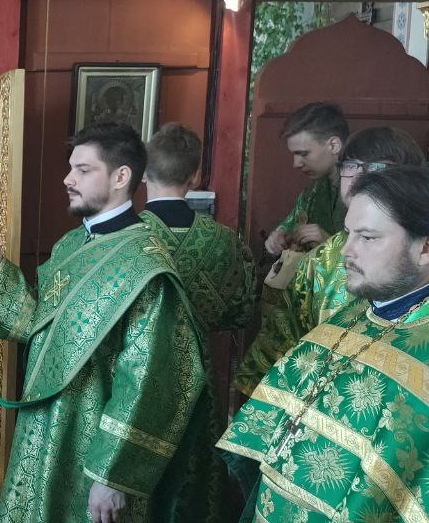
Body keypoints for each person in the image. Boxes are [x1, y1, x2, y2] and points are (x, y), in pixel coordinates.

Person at [0, 122, 222, 523]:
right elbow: (36, 326)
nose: (68, 179)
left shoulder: (146, 269)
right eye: (71, 168)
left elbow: (152, 381)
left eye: (83, 170)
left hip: (89, 450)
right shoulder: (72, 244)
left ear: (121, 177)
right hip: (45, 427)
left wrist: (112, 474)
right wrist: (0, 271)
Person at [218, 165, 429, 523]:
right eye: (348, 233)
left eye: (367, 237)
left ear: (424, 248)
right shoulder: (349, 315)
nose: (345, 250)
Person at [233, 127, 426, 396]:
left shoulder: (418, 250)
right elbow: (278, 344)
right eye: (351, 166)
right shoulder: (320, 261)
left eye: (376, 168)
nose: (359, 177)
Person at [138, 123, 255, 413]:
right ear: (195, 177)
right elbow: (242, 310)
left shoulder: (122, 239)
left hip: (136, 379)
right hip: (199, 378)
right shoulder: (225, 241)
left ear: (143, 174)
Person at [264, 102, 349, 256]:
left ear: (334, 145)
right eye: (294, 155)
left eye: (304, 154)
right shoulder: (312, 193)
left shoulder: (371, 191)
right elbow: (288, 229)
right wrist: (279, 238)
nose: (296, 164)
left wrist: (330, 243)